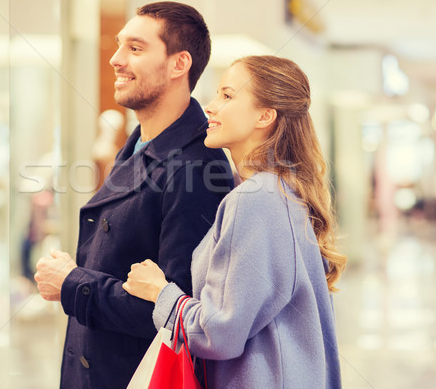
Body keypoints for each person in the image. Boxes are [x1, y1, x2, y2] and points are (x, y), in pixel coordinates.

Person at [34, 1, 234, 389]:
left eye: (135, 48)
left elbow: (179, 313)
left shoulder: (197, 167)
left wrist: (72, 283)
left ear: (179, 64)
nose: (115, 59)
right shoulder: (141, 143)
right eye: (119, 45)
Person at [123, 55, 348, 388]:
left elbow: (220, 333)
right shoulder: (282, 190)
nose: (210, 107)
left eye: (227, 96)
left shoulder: (255, 199)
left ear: (264, 115)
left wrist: (159, 293)